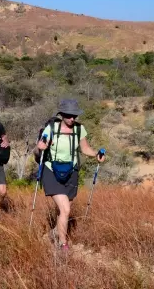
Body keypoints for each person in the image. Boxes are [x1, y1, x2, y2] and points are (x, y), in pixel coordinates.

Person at [35, 99, 105, 251]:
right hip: (51, 170)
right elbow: (39, 149)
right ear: (61, 114)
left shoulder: (79, 129)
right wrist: (40, 147)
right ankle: (62, 244)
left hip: (71, 171)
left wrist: (96, 154)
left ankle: (53, 233)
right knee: (66, 209)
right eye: (68, 115)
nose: (72, 118)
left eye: (74, 115)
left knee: (65, 210)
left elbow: (85, 148)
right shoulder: (51, 128)